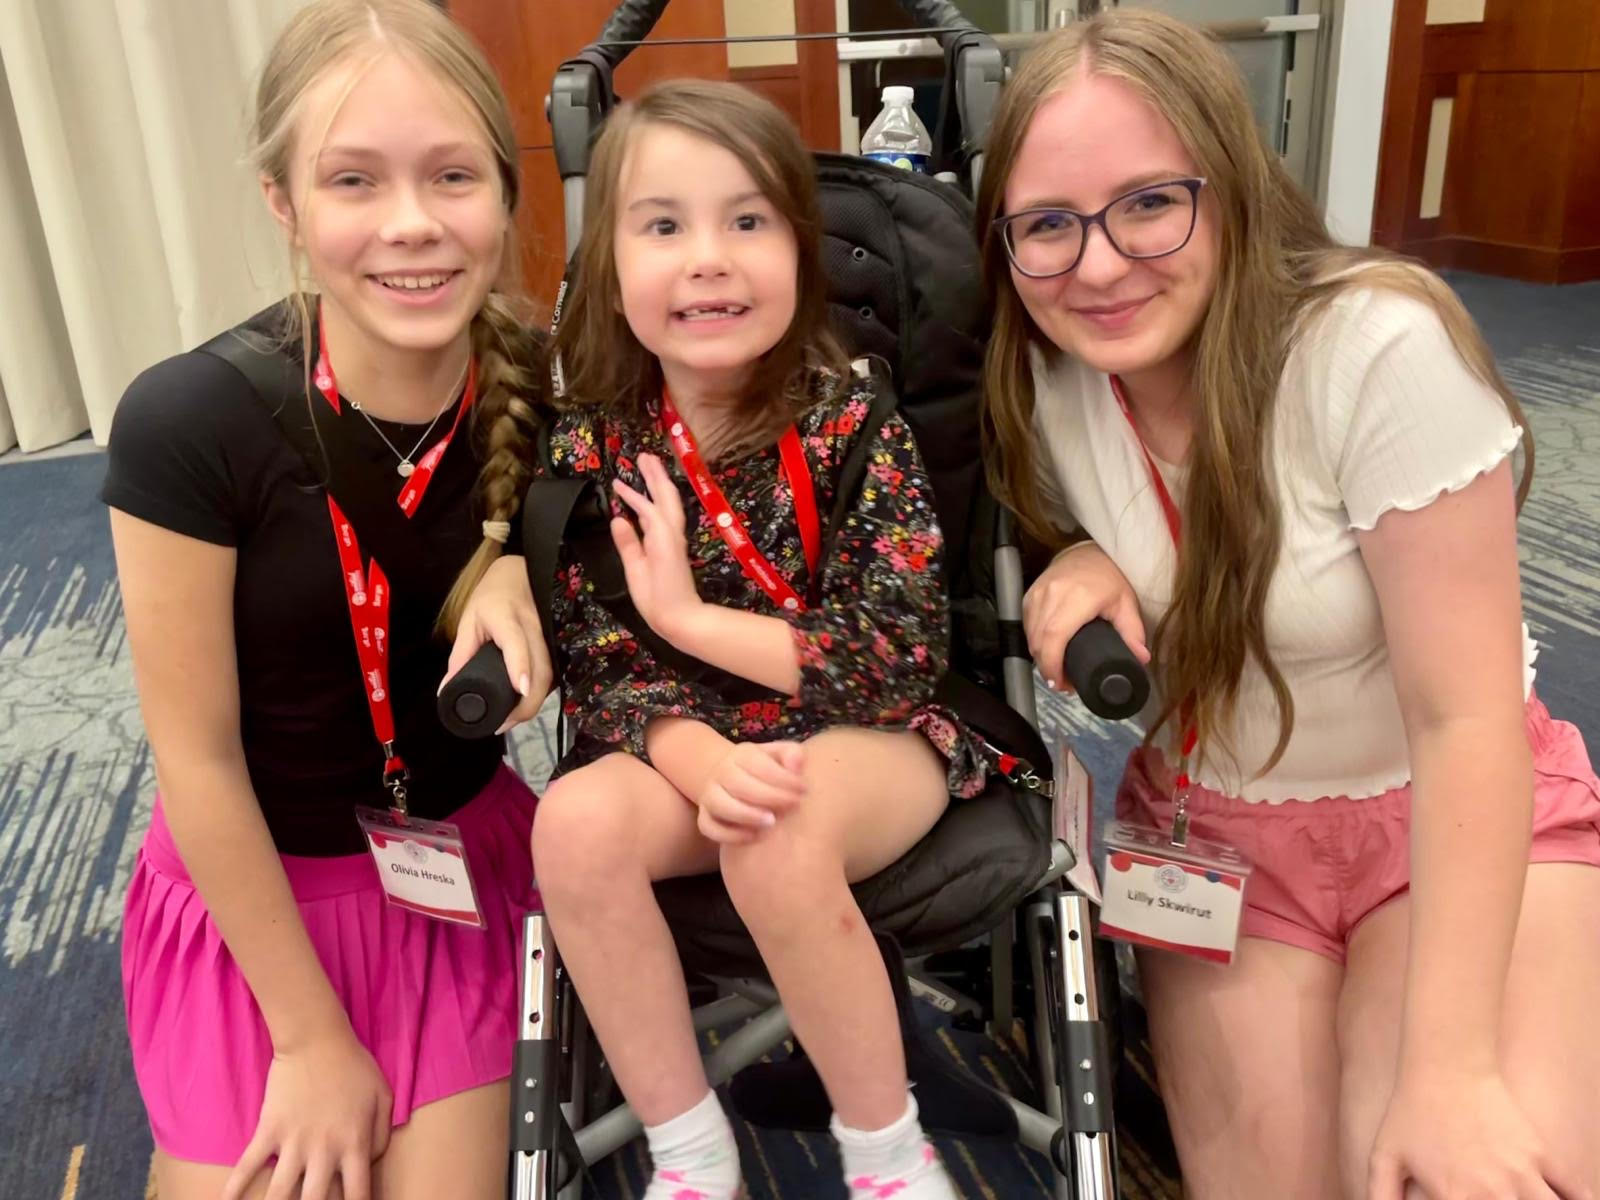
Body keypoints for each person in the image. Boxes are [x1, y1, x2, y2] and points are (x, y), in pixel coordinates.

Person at [975, 10, 1600, 1199]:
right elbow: (1070, 524)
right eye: (1047, 224)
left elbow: (1464, 722)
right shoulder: (1044, 378)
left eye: (1149, 202)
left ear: (1233, 187)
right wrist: (1077, 555)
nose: (1098, 264)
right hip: (1214, 841)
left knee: (1450, 1169)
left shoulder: (1374, 349)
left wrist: (1450, 1068)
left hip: (1440, 815)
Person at [446, 80, 989, 1200]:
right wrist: (693, 755)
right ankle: (690, 1145)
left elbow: (891, 659)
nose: (708, 258)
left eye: (748, 221)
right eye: (663, 225)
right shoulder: (602, 441)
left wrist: (689, 621)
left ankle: (888, 1155)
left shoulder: (853, 421)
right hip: (682, 746)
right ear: (610, 271)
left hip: (873, 739)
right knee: (579, 823)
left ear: (801, 250)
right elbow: (598, 660)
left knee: (775, 835)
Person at [103, 2, 545, 1197]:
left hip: (452, 873)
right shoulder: (189, 424)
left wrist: (511, 555)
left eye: (454, 175)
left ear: (504, 193)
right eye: (354, 180)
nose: (413, 224)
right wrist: (306, 1039)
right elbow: (192, 760)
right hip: (255, 887)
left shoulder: (555, 386)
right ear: (283, 204)